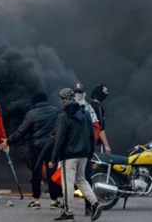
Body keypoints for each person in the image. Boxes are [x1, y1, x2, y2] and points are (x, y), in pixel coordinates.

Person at [49, 88, 104, 222]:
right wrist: (90, 152)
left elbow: (59, 139)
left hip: (69, 156)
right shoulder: (85, 113)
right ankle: (95, 204)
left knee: (67, 184)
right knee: (81, 180)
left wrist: (53, 159)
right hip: (84, 154)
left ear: (63, 99)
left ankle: (68, 213)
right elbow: (91, 135)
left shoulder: (64, 115)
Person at [0, 92, 62, 210]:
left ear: (35, 102)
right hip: (51, 146)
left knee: (36, 173)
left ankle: (36, 200)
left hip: (36, 147)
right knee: (51, 173)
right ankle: (54, 201)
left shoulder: (31, 114)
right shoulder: (55, 111)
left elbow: (21, 131)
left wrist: (8, 141)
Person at [74, 83, 100, 215]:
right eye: (76, 92)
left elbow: (95, 128)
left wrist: (90, 144)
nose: (78, 94)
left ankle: (88, 205)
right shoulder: (69, 107)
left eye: (79, 92)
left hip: (80, 149)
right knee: (71, 178)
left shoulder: (88, 108)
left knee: (85, 178)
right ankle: (67, 205)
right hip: (73, 149)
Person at [89, 84, 111, 154]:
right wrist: (106, 145)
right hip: (95, 144)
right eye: (105, 91)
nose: (107, 93)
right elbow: (100, 128)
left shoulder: (89, 106)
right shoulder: (98, 107)